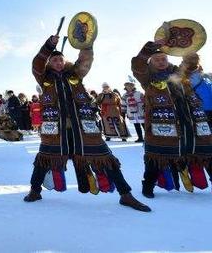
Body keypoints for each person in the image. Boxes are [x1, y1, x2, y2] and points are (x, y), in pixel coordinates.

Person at [24, 34, 150, 212]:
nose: (58, 63)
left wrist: (86, 44)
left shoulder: (75, 74)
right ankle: (35, 190)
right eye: (54, 60)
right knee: (44, 159)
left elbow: (85, 60)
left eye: (61, 60)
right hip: (56, 128)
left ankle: (126, 195)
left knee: (106, 159)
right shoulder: (43, 78)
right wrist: (48, 46)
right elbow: (37, 63)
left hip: (83, 127)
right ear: (49, 63)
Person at [132, 43, 212, 197]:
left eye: (164, 59)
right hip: (162, 123)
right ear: (151, 62)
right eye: (157, 60)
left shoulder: (177, 72)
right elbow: (138, 65)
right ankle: (147, 186)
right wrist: (148, 49)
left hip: (189, 120)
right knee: (156, 156)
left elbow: (191, 67)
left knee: (205, 151)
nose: (161, 62)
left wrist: (190, 56)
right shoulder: (147, 76)